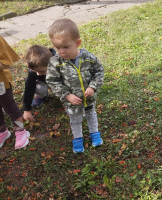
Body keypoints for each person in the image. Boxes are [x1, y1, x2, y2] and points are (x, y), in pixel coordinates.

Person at [46, 18, 104, 153]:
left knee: (91, 114)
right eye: (57, 47)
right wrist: (67, 95)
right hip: (71, 103)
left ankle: (94, 132)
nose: (61, 51)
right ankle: (77, 137)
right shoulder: (56, 62)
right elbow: (52, 81)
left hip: (89, 98)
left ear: (77, 43)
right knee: (75, 119)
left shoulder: (88, 57)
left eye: (65, 47)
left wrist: (92, 87)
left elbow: (99, 71)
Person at [0, 36, 30, 149]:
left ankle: (20, 131)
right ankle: (2, 131)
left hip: (1, 83)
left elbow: (6, 62)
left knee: (9, 107)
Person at [23, 45, 56, 122]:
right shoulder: (34, 71)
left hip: (57, 81)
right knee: (37, 86)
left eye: (41, 71)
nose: (38, 74)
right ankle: (42, 96)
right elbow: (29, 89)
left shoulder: (58, 64)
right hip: (44, 82)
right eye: (35, 71)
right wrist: (26, 110)